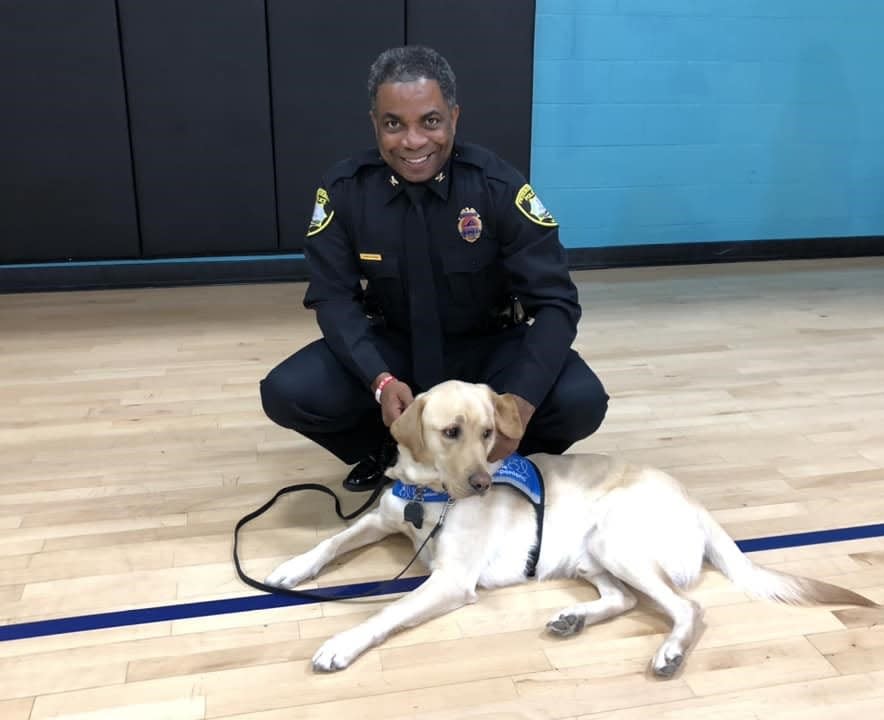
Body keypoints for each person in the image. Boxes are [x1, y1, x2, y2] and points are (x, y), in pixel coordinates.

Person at [260, 45, 609, 491]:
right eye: (393, 124)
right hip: (394, 351)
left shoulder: (497, 187)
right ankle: (391, 454)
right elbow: (333, 297)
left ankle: (499, 459)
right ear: (375, 124)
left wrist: (519, 404)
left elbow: (557, 302)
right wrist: (379, 380)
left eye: (430, 121)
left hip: (486, 350)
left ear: (454, 118)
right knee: (288, 392)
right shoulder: (345, 190)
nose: (413, 141)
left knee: (581, 399)